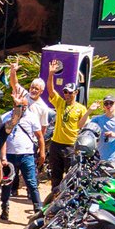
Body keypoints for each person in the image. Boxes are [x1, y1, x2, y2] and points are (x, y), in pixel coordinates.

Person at [0, 96, 44, 221]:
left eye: (24, 106)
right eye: (19, 106)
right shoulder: (6, 117)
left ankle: (38, 209)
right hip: (9, 155)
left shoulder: (32, 117)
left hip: (26, 155)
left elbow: (39, 136)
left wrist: (42, 152)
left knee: (31, 183)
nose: (22, 108)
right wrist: (2, 156)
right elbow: (2, 137)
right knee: (7, 183)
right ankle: (4, 207)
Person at [45, 60, 88, 192]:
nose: (67, 95)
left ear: (76, 93)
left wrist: (89, 112)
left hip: (70, 145)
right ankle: (54, 197)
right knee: (55, 175)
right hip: (56, 144)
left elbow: (82, 125)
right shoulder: (60, 103)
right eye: (65, 92)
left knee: (70, 176)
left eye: (70, 92)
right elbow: (50, 90)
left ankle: (69, 196)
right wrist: (51, 74)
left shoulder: (81, 108)